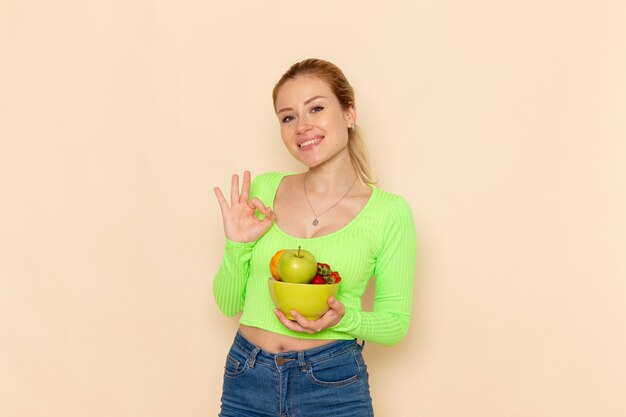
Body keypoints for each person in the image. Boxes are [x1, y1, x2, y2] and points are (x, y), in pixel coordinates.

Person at [212, 58, 417, 417]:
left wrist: (342, 319)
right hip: (248, 376)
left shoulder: (388, 213)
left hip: (332, 384)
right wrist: (237, 244)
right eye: (288, 117)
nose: (302, 127)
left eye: (316, 108)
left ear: (349, 113)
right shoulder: (265, 189)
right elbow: (228, 304)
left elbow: (395, 323)